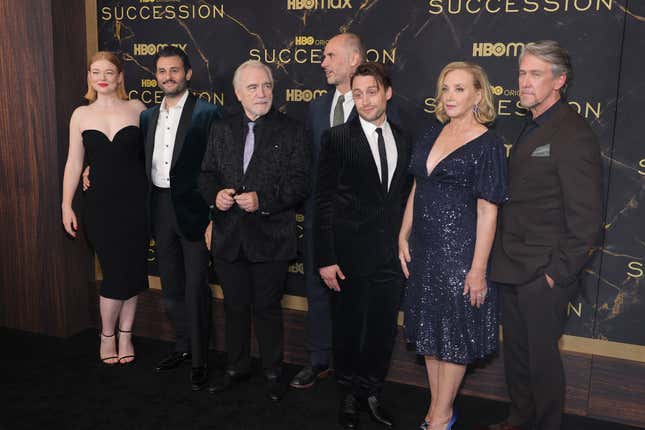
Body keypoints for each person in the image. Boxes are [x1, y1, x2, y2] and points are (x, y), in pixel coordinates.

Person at [484, 41, 603, 430]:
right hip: (511, 266)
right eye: (522, 73)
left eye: (535, 74)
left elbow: (586, 219)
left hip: (542, 274)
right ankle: (518, 420)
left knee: (541, 362)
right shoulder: (530, 125)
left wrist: (555, 274)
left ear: (559, 81)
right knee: (517, 357)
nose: (524, 82)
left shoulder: (571, 132)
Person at [399, 61, 507, 430]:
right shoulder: (431, 133)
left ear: (479, 94)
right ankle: (436, 408)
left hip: (460, 253)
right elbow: (418, 186)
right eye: (446, 88)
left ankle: (442, 416)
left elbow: (488, 211)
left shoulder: (488, 144)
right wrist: (403, 232)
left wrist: (478, 269)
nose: (450, 96)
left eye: (460, 89)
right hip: (425, 249)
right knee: (430, 334)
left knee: (454, 337)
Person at [199, 60, 310, 402]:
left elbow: (300, 183)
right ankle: (235, 367)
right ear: (237, 93)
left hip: (271, 237)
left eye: (266, 86)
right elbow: (206, 174)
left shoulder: (292, 130)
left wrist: (263, 200)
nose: (262, 93)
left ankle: (273, 371)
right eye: (253, 87)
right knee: (233, 306)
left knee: (267, 308)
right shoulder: (221, 128)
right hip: (228, 235)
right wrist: (214, 195)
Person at [316, 62, 412, 429]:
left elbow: (404, 200)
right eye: (357, 94)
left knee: (382, 330)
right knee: (348, 329)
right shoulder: (336, 138)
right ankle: (347, 398)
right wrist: (325, 257)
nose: (365, 100)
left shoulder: (404, 139)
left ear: (387, 92)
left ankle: (371, 392)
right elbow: (323, 201)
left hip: (390, 257)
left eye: (372, 91)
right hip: (348, 257)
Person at [62, 51, 148, 365]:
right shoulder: (81, 115)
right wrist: (66, 204)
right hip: (99, 205)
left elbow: (151, 157)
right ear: (89, 76)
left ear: (120, 76)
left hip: (136, 203)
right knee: (113, 272)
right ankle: (107, 335)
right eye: (95, 71)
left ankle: (126, 334)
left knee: (132, 269)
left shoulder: (138, 109)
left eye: (109, 71)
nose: (102, 77)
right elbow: (74, 163)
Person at [290, 32, 365, 390]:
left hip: (360, 221)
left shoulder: (378, 106)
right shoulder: (317, 108)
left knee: (356, 293)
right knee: (317, 288)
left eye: (330, 56)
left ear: (354, 60)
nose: (322, 63)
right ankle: (318, 359)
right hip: (320, 216)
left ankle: (355, 366)